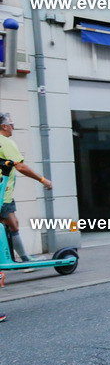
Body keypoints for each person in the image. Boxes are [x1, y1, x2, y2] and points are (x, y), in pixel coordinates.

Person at [0, 113, 52, 271]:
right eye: (12, 124)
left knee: (9, 224)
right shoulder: (5, 142)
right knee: (12, 224)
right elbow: (20, 167)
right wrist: (43, 180)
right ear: (4, 126)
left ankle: (23, 259)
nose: (13, 128)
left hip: (5, 192)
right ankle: (25, 261)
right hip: (3, 193)